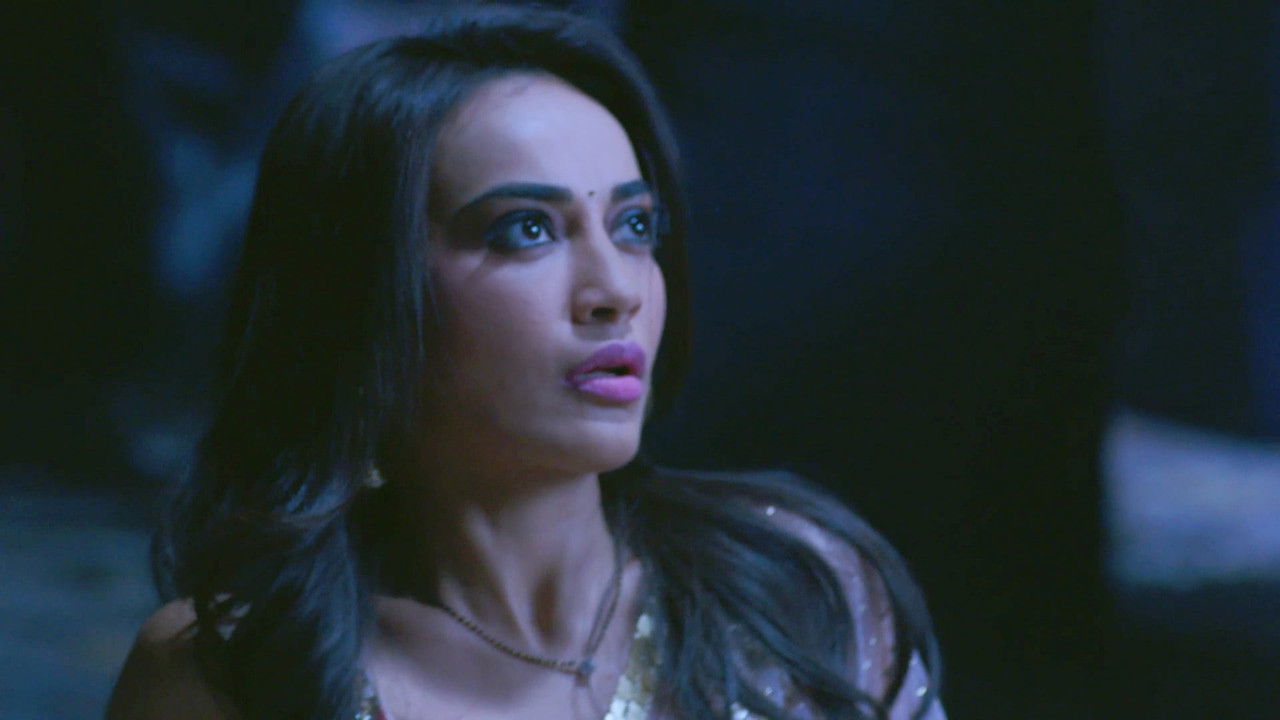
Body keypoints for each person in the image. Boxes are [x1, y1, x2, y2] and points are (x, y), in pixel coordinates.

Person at [106, 5, 945, 719]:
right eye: (526, 230)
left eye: (635, 227)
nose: (614, 290)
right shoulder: (226, 670)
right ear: (365, 288)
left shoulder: (796, 591)